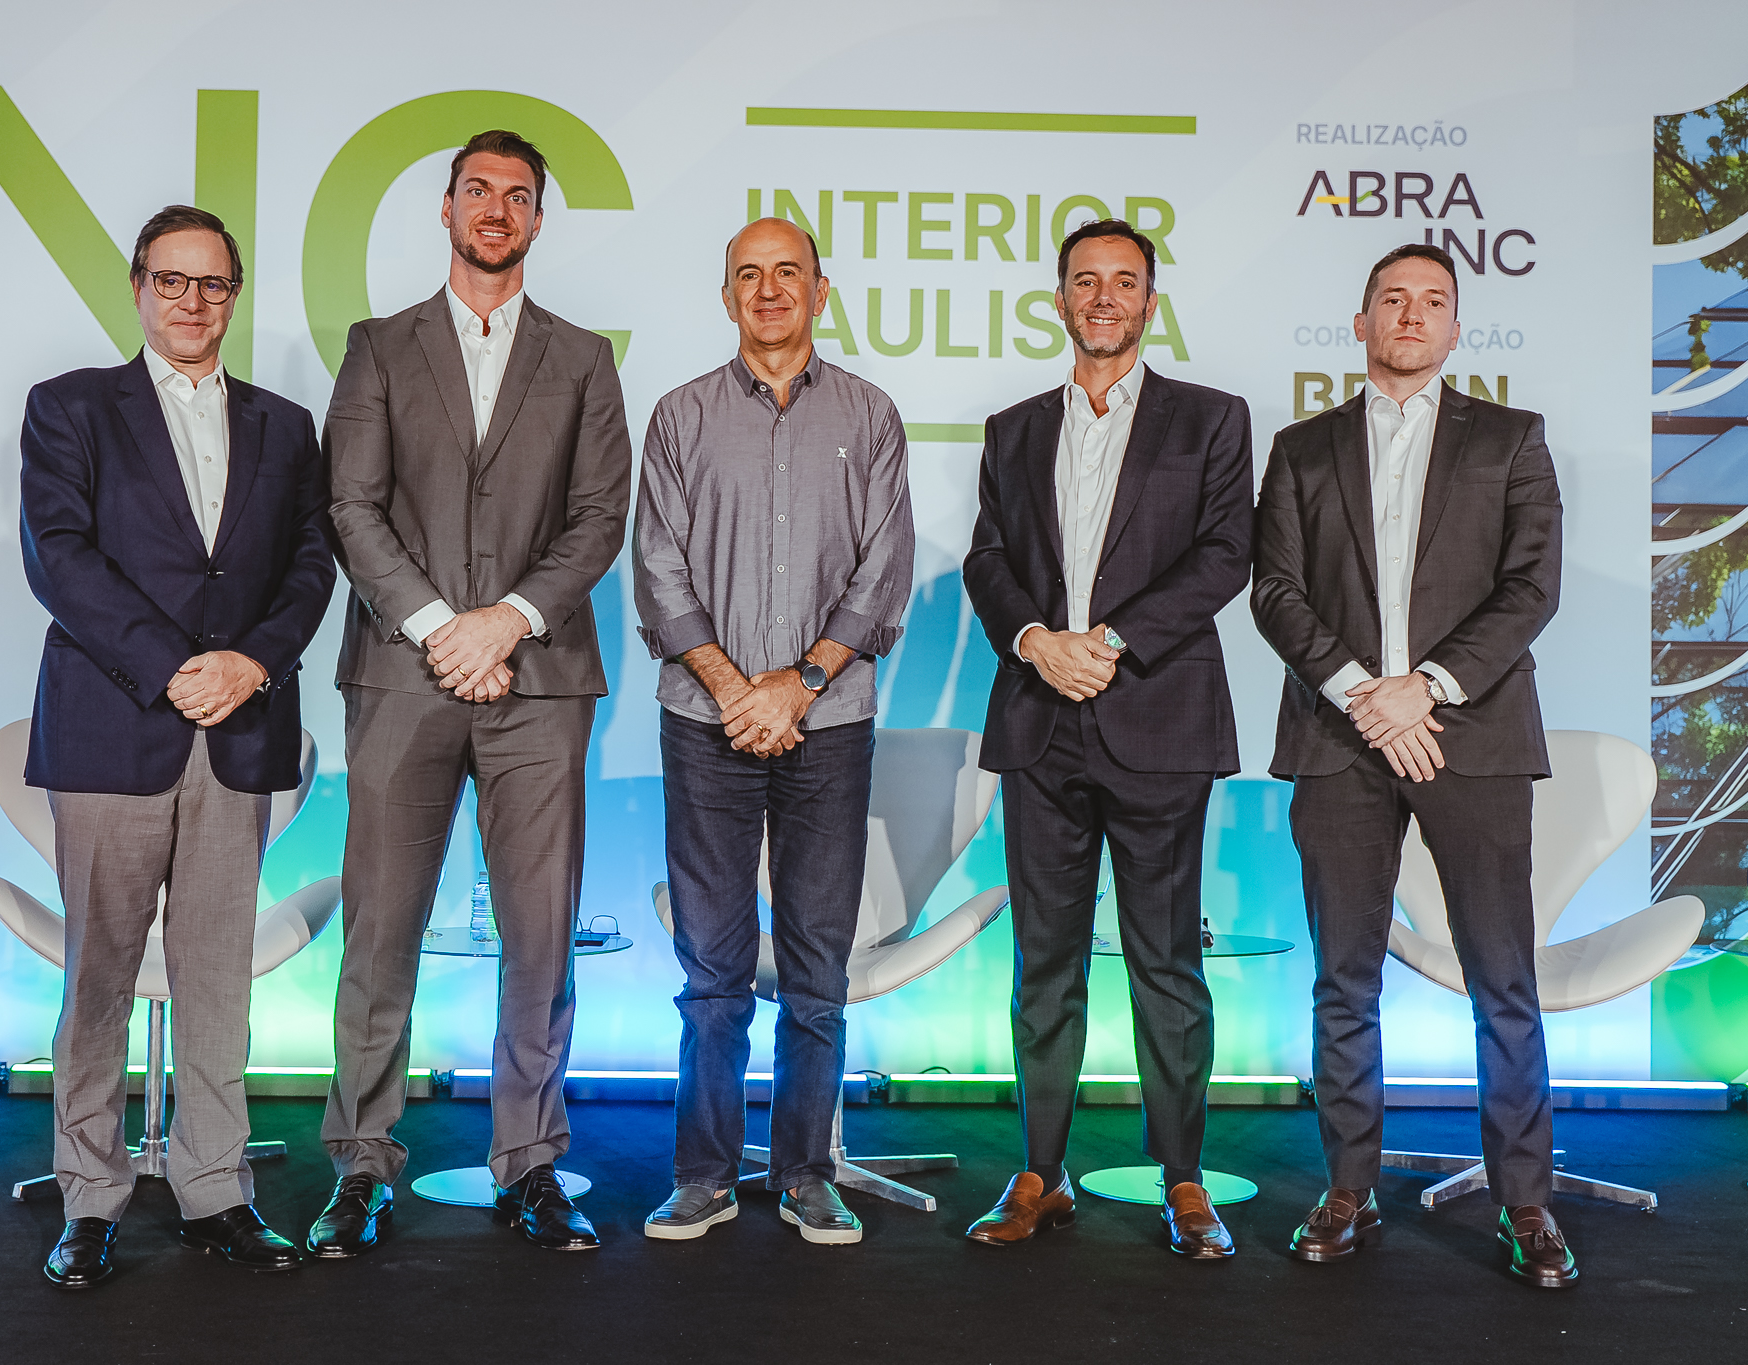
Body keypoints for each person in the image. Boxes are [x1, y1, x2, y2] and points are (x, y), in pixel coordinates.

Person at [311, 130, 630, 1254]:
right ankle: (361, 1165)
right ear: (445, 209)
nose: (496, 209)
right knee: (379, 931)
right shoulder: (378, 346)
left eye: (518, 195)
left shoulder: (583, 358)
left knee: (539, 940)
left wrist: (508, 620)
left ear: (538, 220)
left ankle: (530, 1163)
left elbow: (599, 515)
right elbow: (350, 506)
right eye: (477, 191)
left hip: (540, 679)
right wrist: (445, 630)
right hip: (404, 673)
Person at [20, 205, 337, 1288]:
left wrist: (250, 663)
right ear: (137, 286)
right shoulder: (70, 408)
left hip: (239, 732)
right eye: (171, 280)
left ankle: (216, 1191)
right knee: (98, 979)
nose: (191, 301)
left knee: (216, 981)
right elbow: (60, 557)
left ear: (233, 296)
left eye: (212, 284)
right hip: (113, 728)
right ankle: (90, 1197)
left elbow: (312, 562)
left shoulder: (286, 425)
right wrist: (174, 667)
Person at [1252, 243, 1572, 1288]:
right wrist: (1363, 692)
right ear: (1360, 323)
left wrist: (1422, 688)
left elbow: (1530, 588)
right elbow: (1274, 593)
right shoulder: (1301, 448)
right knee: (1342, 980)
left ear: (1454, 328)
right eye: (1391, 298)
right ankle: (1349, 1189)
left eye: (1432, 301)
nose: (1410, 314)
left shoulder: (1511, 439)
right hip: (1339, 739)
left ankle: (1525, 1202)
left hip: (1469, 735)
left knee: (1502, 978)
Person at [961, 219, 1253, 1258]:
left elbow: (1226, 554)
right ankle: (1039, 1175)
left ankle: (1184, 1181)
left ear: (1148, 303)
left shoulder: (1209, 419)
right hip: (1040, 723)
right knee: (1043, 964)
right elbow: (987, 560)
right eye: (1084, 281)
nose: (1102, 297)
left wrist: (1111, 643)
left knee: (1165, 964)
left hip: (1157, 723)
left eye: (1122, 282)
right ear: (1058, 301)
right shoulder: (1012, 429)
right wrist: (1037, 641)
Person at [633, 217, 913, 1246]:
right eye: (746, 274)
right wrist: (733, 688)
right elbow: (657, 569)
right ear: (725, 297)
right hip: (703, 724)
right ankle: (703, 1177)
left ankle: (805, 1173)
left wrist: (796, 684)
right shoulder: (680, 415)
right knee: (711, 974)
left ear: (819, 291)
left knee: (815, 972)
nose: (767, 290)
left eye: (786, 272)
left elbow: (883, 571)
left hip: (826, 723)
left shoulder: (869, 415)